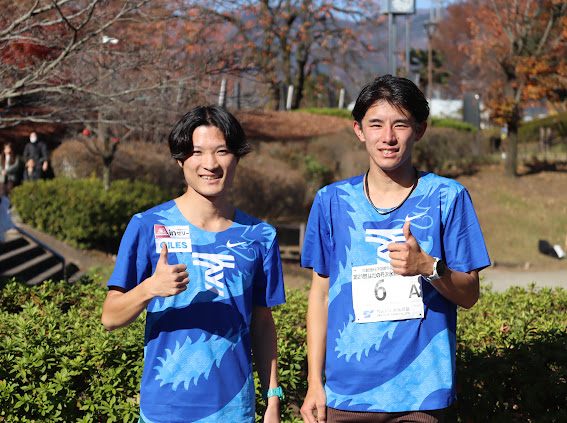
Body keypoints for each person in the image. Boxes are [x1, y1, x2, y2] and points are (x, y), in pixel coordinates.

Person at [299, 75, 491, 423]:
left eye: (400, 124)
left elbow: (470, 294)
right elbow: (320, 295)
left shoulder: (448, 197)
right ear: (359, 130)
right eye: (376, 124)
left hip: (422, 395)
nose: (388, 137)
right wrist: (314, 383)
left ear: (419, 130)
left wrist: (429, 267)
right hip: (347, 396)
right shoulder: (331, 201)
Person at [101, 105, 285, 423]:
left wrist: (273, 399)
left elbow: (263, 324)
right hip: (164, 410)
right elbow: (110, 317)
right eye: (197, 152)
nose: (210, 164)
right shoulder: (147, 226)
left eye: (222, 151)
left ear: (237, 157)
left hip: (233, 411)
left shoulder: (260, 236)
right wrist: (149, 288)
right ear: (180, 159)